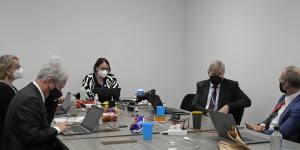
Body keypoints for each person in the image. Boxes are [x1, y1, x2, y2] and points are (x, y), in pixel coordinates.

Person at [1, 59, 70, 150]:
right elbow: (32, 136)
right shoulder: (31, 99)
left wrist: (53, 100)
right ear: (49, 81)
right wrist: (57, 128)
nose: (60, 92)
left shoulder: (31, 92)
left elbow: (43, 123)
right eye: (60, 88)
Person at [246, 66, 300, 143]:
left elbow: (282, 133)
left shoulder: (298, 107)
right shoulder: (284, 97)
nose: (279, 80)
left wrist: (259, 132)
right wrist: (261, 126)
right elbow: (273, 116)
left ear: (286, 84)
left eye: (281, 78)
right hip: (268, 136)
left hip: (281, 143)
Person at [191, 60, 251, 124]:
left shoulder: (231, 86)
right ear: (208, 73)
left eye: (219, 74)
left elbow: (247, 101)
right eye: (213, 74)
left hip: (222, 122)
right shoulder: (201, 85)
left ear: (223, 73)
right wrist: (206, 112)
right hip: (205, 119)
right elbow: (195, 104)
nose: (216, 77)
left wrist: (228, 106)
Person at [0, 55, 23, 148]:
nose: (20, 69)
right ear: (7, 70)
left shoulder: (10, 87)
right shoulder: (3, 90)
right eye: (17, 67)